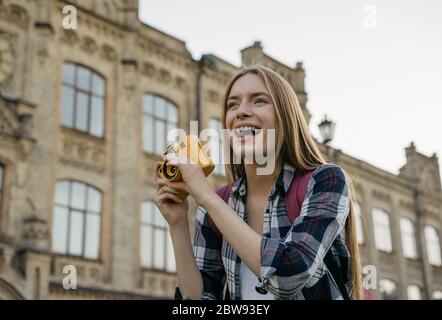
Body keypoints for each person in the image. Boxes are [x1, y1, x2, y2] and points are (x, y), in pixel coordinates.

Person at [152, 65, 363, 300]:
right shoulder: (218, 205)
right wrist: (177, 223)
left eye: (259, 100)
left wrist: (207, 198)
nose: (240, 112)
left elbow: (288, 274)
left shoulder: (325, 180)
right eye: (232, 105)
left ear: (286, 116)